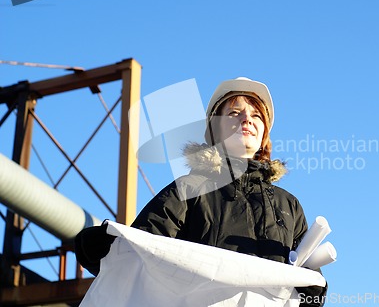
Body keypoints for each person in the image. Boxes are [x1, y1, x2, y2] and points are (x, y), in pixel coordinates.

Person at [75, 77, 327, 306]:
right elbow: (145, 247)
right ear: (214, 131)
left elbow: (308, 288)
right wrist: (105, 248)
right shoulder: (189, 189)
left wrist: (314, 286)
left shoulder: (289, 205)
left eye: (256, 115)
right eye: (234, 113)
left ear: (264, 137)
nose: (246, 119)